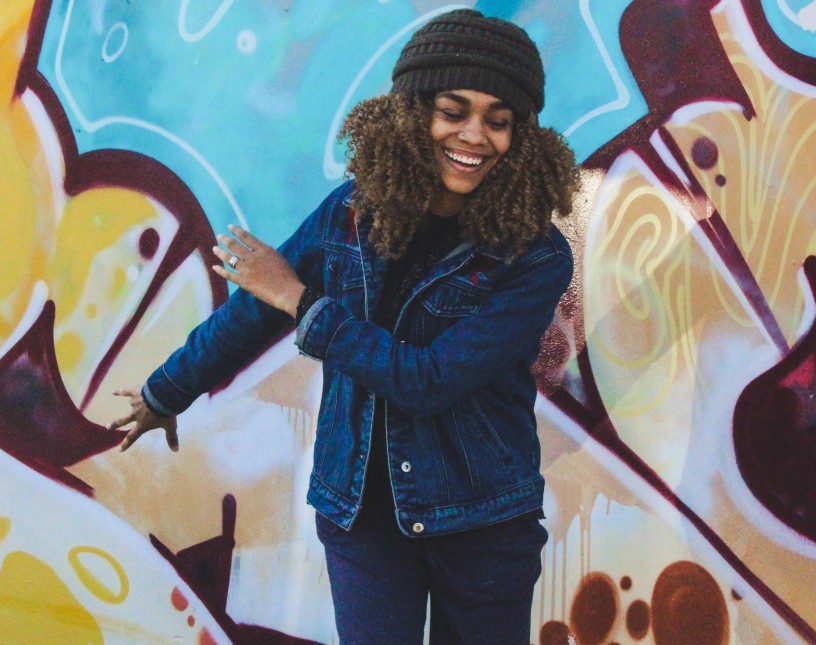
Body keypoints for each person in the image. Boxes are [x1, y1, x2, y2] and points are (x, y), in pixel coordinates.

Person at [109, 9, 579, 644]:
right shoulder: (352, 213)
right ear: (413, 112)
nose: (474, 135)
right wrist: (168, 391)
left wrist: (303, 305)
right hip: (363, 517)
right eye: (453, 110)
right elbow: (254, 308)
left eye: (498, 121)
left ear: (521, 137)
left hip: (483, 523)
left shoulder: (536, 255)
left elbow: (428, 379)